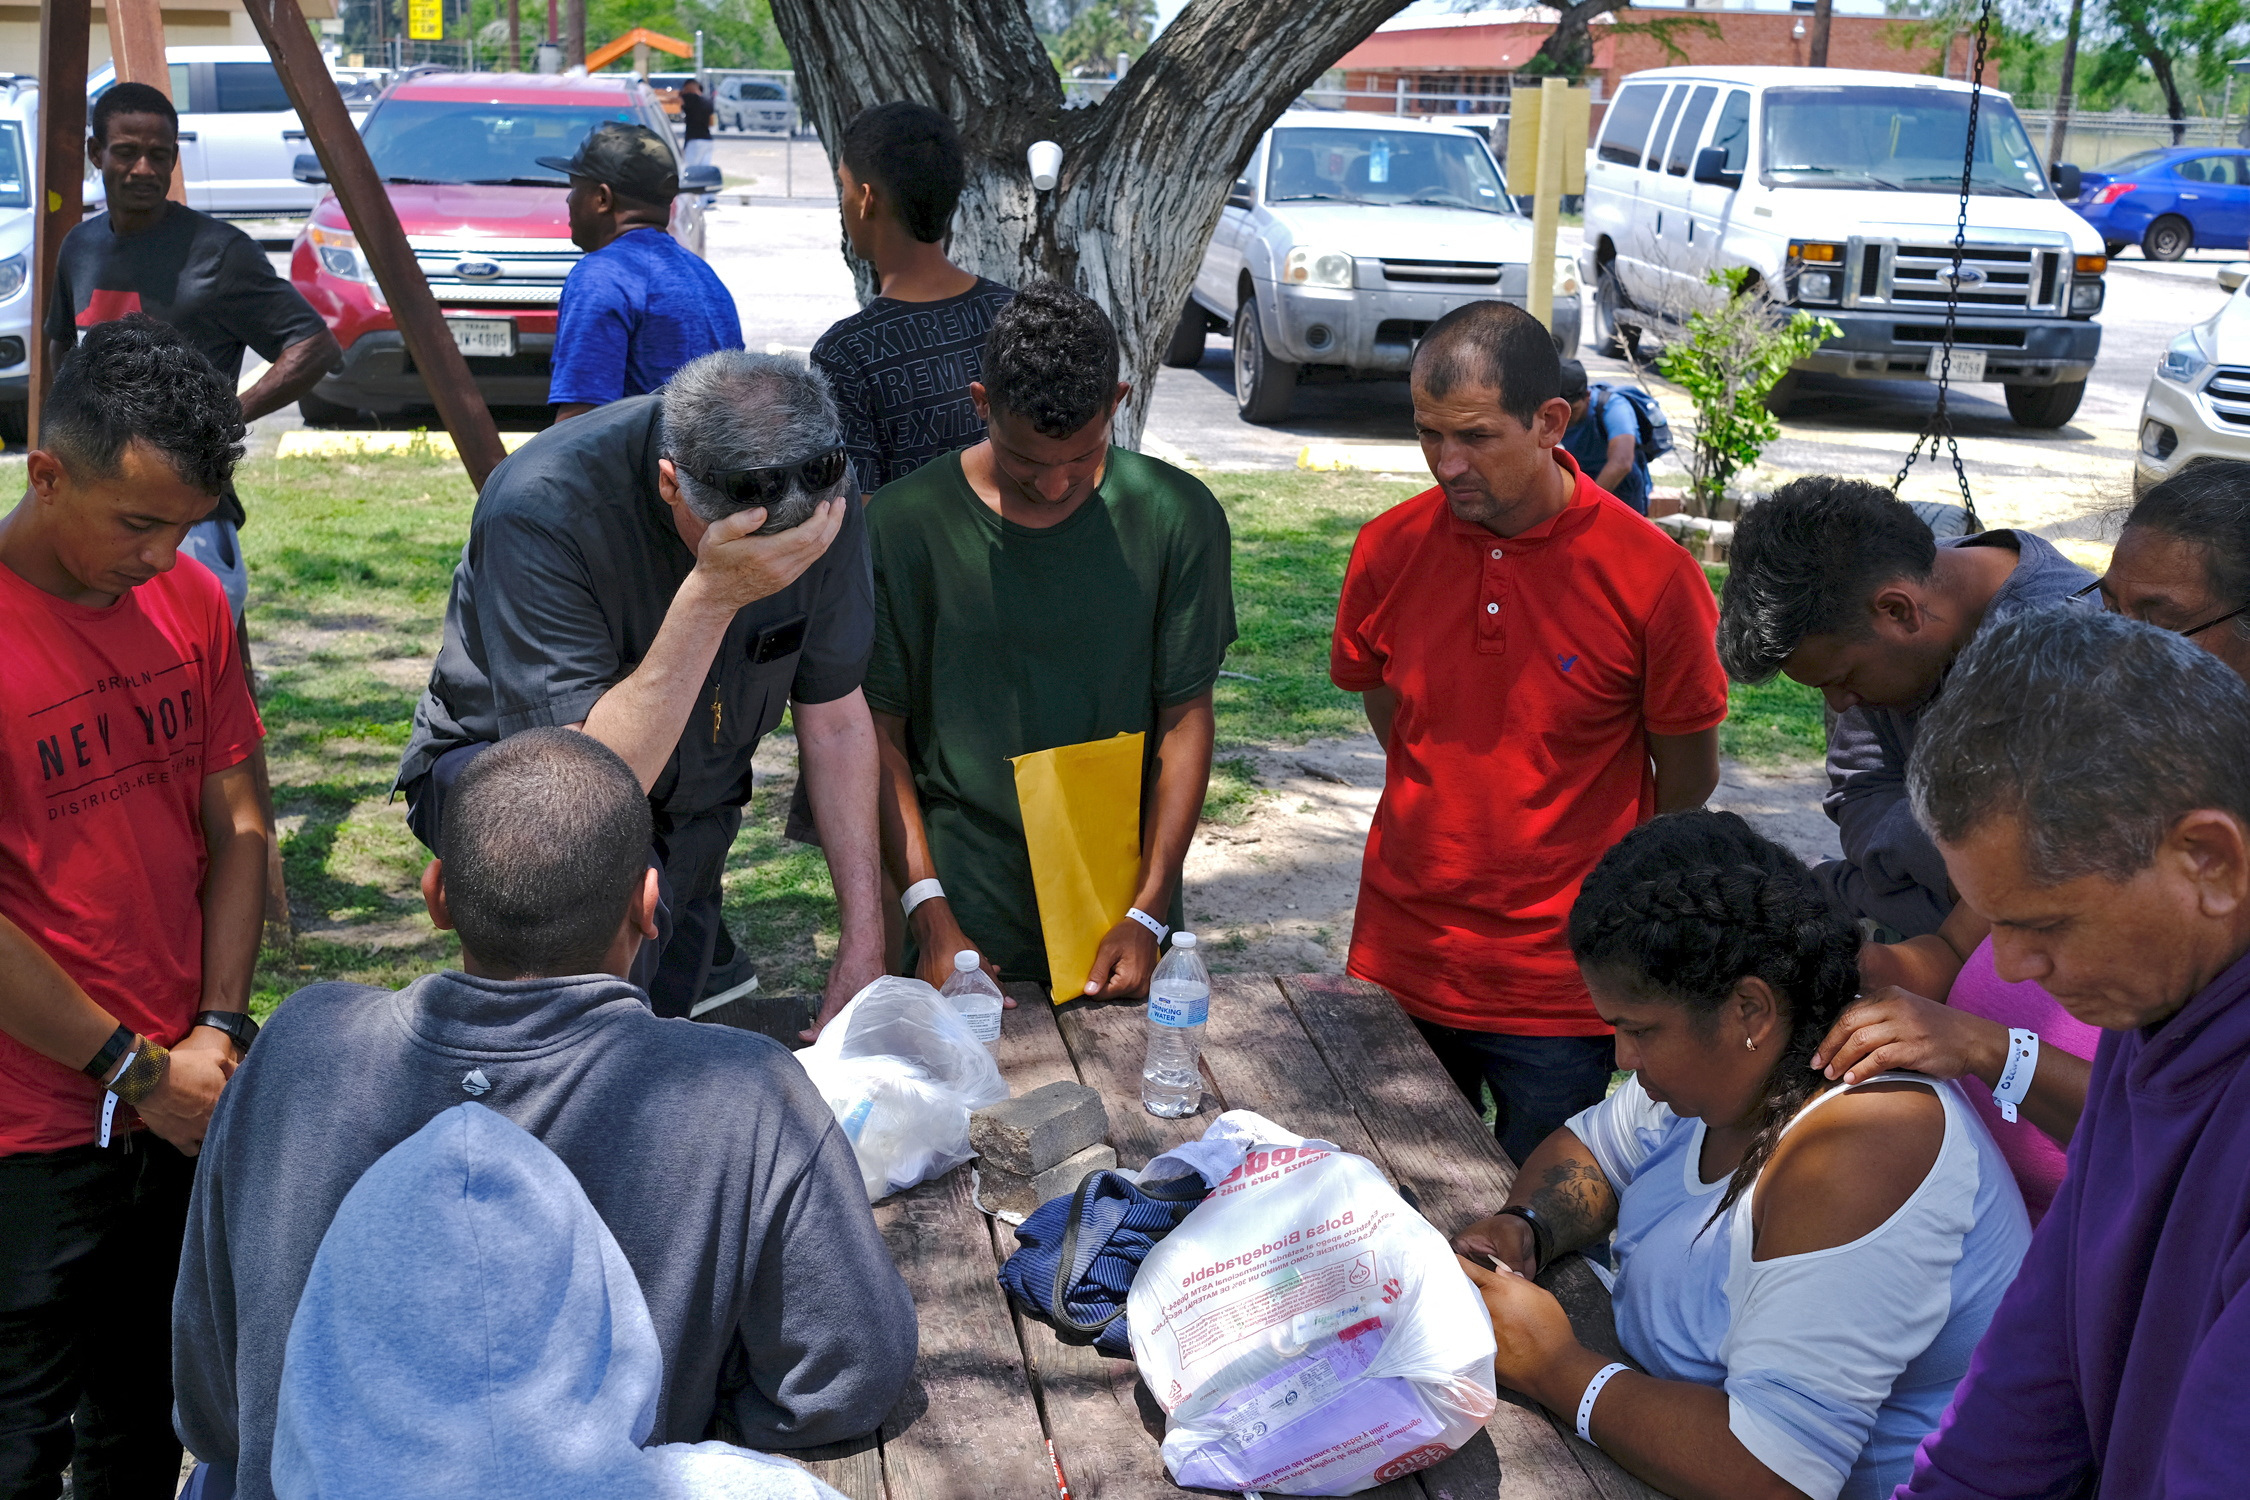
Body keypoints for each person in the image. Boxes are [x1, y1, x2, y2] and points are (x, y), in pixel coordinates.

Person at [175, 730, 915, 1500]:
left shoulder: (297, 1047)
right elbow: (847, 1374)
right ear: (649, 905)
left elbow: (212, 1407)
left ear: (437, 897)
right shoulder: (744, 1092)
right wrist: (684, 1444)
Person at [1453, 810, 2030, 1500]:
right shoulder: (1734, 1072)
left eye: (1638, 1030)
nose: (1622, 1058)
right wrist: (1527, 1226)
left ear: (1749, 1010)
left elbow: (1775, 1471)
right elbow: (1593, 1149)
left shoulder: (1863, 1144)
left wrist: (1556, 1368)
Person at [1330, 299, 1727, 1168]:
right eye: (1428, 435)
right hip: (1402, 953)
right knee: (1385, 1207)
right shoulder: (1387, 550)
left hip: (1559, 984)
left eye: (1473, 437)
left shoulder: (1651, 576)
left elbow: (1687, 776)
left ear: (1553, 422)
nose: (1445, 463)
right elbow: (1394, 715)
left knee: (1532, 1238)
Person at [1821, 457, 2250, 1227]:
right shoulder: (2099, 772)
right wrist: (1827, 968)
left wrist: (1992, 1050)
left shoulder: (2197, 880)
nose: (2113, 643)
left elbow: (2170, 1141)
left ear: (2210, 865)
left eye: (2155, 617)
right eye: (2108, 608)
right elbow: (1954, 950)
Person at [396, 351, 883, 1024]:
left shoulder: (818, 491)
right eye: (749, 552)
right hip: (521, 791)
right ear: (669, 483)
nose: (774, 568)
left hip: (691, 799)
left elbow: (835, 720)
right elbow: (576, 797)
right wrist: (712, 598)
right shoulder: (541, 503)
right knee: (578, 1036)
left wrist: (865, 940)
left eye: (789, 554)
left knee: (661, 1041)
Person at [1890, 607, 2250, 1498]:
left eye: (2044, 924)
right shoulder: (2164, 1000)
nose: (2012, 967)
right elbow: (2020, 1397)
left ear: (2209, 859)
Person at [0, 317, 268, 1498]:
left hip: (178, 1103)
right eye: (138, 522)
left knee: (143, 1431)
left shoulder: (194, 606)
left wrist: (214, 1030)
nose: (164, 559)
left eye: (188, 530)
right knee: (14, 1446)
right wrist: (137, 1071)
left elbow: (241, 828)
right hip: (28, 1135)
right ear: (44, 472)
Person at [868, 280, 1234, 995]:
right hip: (963, 914)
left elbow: (1185, 720)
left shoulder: (1177, 518)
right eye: (1026, 461)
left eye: (1085, 456)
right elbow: (879, 733)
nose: (1058, 484)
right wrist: (928, 916)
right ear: (981, 404)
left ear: (1119, 402)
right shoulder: (904, 525)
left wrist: (1150, 911)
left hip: (1120, 912)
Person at [1718, 476, 2091, 938]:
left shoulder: (2076, 655)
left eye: (1843, 679)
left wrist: (1876, 882)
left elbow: (2031, 883)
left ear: (1898, 611)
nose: (1839, 704)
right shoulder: (1886, 590)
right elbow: (1858, 792)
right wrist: (1953, 867)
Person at [44, 82, 341, 619]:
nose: (143, 169)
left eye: (159, 155)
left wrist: (224, 420)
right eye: (127, 152)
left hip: (187, 518)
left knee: (194, 670)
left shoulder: (219, 252)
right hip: (91, 510)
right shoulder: (79, 247)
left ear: (174, 158)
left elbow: (314, 345)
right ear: (97, 155)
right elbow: (62, 342)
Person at [811, 102, 1016, 495]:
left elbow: (860, 516)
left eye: (844, 185)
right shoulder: (1017, 316)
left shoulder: (848, 353)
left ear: (867, 199)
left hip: (910, 559)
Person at [545, 122, 743, 421]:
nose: (568, 200)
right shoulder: (705, 277)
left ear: (602, 198)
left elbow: (579, 424)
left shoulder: (602, 276)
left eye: (574, 187)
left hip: (642, 468)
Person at [1557, 358, 1648, 514]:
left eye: (1572, 411)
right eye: (1558, 412)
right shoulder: (1549, 411)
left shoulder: (1614, 407)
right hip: (1583, 480)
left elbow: (1622, 462)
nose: (1565, 419)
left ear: (1587, 396)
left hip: (1621, 487)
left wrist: (1583, 505)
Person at [678, 79, 717, 174]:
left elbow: (679, 98)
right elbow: (711, 123)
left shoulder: (690, 99)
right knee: (702, 173)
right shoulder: (709, 102)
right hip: (708, 141)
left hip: (694, 141)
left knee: (688, 171)